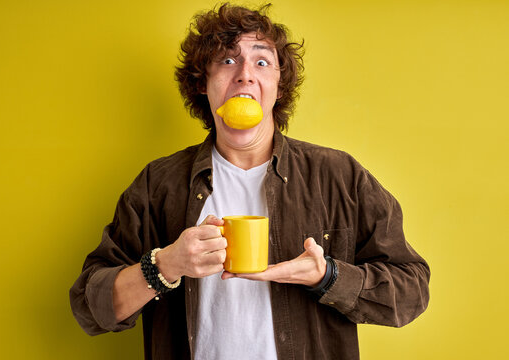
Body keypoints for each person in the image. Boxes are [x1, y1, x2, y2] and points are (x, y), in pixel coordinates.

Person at [70, 3, 430, 360]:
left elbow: (412, 288)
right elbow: (90, 306)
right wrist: (165, 265)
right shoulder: (158, 184)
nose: (244, 74)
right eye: (227, 60)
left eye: (261, 61)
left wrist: (328, 276)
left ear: (278, 85)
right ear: (203, 84)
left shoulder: (339, 176)